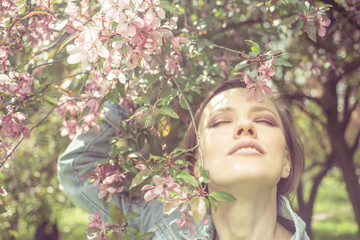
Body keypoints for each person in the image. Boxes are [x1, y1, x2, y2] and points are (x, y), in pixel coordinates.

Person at [58, 79, 309, 240]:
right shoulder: (158, 222)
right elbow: (78, 170)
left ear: (287, 161)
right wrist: (125, 88)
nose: (245, 126)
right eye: (221, 121)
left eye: (264, 120)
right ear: (197, 164)